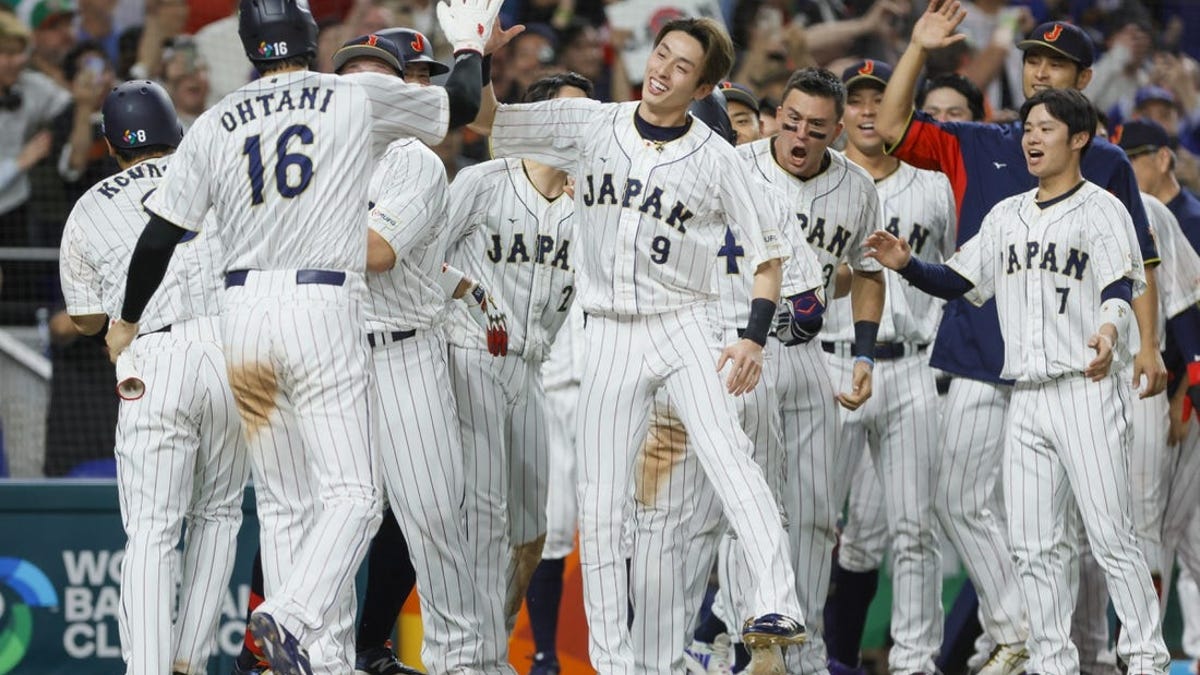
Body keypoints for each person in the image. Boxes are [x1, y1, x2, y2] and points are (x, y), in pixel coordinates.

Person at [104, 0, 507, 672]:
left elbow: (160, 233)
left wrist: (126, 319)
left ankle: (314, 656)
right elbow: (462, 104)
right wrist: (469, 43)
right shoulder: (345, 95)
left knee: (290, 504)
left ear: (246, 46)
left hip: (242, 315)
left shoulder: (212, 124)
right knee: (354, 494)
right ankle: (288, 614)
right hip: (320, 305)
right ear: (312, 41)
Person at [470, 16, 807, 675]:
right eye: (661, 54)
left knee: (729, 456)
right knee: (601, 504)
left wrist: (752, 338)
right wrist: (479, 58)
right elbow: (491, 121)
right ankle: (614, 662)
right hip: (609, 331)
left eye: (683, 66)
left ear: (703, 85)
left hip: (685, 322)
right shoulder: (592, 122)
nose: (663, 70)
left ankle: (775, 602)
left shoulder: (716, 159)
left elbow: (770, 257)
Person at [875, 5, 1169, 671]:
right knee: (1028, 536)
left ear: (1082, 110)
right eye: (1032, 59)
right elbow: (956, 275)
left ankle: (1143, 656)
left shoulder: (1106, 183)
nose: (1038, 71)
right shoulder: (997, 184)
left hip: (1083, 380)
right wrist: (906, 264)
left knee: (1106, 533)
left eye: (1055, 66)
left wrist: (1128, 337)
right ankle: (1043, 652)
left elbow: (1128, 275)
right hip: (1007, 372)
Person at [58, 80, 249, 675]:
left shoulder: (90, 204)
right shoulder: (219, 175)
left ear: (113, 146)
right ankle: (189, 661)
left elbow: (88, 319)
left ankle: (148, 670)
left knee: (152, 532)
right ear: (176, 131)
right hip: (232, 346)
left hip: (154, 353)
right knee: (218, 513)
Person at [734, 66, 886, 675]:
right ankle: (740, 642)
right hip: (739, 350)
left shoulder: (855, 186)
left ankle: (806, 651)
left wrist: (866, 351)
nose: (798, 137)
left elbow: (869, 272)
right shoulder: (737, 166)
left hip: (809, 356)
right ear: (777, 116)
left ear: (838, 128)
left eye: (816, 129)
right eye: (790, 121)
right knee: (746, 506)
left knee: (819, 511)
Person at [443, 70, 593, 675]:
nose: (584, 126)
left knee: (533, 533)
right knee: (483, 520)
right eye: (572, 114)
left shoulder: (590, 210)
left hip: (532, 370)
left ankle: (493, 642)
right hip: (470, 357)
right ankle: (474, 658)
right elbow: (420, 257)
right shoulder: (481, 182)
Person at [818, 59, 957, 675]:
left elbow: (956, 276)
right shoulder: (821, 183)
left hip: (912, 370)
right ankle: (801, 655)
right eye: (857, 100)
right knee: (813, 522)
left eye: (880, 99)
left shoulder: (932, 185)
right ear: (841, 112)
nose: (869, 110)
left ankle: (916, 662)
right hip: (831, 362)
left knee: (915, 529)